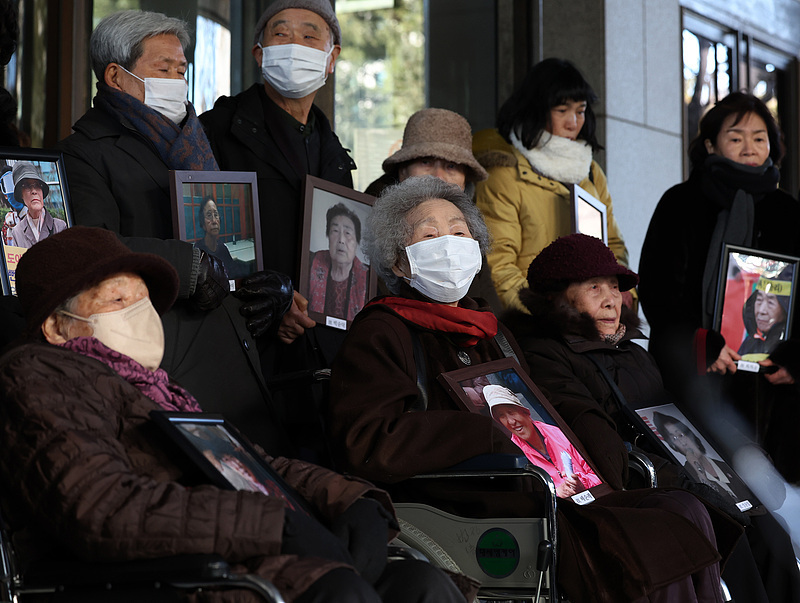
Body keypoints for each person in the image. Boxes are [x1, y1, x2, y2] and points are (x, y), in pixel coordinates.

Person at [0, 225, 472, 603]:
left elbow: (249, 463)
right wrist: (277, 525)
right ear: (58, 327)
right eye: (118, 300)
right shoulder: (38, 375)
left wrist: (353, 501)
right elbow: (101, 507)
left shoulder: (157, 391)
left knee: (420, 587)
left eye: (144, 299)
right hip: (163, 578)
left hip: (238, 564)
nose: (141, 312)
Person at [328, 176, 735, 603]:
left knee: (682, 508)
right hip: (471, 497)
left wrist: (581, 427)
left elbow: (540, 404)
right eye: (430, 235)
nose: (449, 243)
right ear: (398, 262)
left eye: (459, 231)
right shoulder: (382, 331)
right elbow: (366, 441)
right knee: (652, 540)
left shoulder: (492, 329)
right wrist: (482, 432)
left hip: (542, 484)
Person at [504, 232, 800, 603]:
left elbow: (676, 416)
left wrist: (735, 456)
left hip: (692, 474)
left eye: (614, 287)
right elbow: (597, 441)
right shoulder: (546, 356)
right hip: (645, 486)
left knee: (774, 539)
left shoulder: (632, 350)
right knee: (736, 548)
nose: (611, 300)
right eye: (594, 287)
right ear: (554, 296)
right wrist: (694, 484)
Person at [54, 10, 294, 454]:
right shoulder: (84, 154)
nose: (176, 79)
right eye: (162, 69)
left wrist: (267, 285)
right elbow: (89, 247)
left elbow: (229, 244)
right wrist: (188, 266)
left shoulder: (197, 143)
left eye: (181, 70)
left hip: (233, 358)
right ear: (115, 75)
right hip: (164, 362)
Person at [638, 91, 800, 483]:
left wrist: (795, 358)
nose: (750, 146)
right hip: (698, 372)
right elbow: (657, 287)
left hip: (769, 385)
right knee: (708, 483)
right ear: (711, 143)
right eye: (736, 135)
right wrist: (701, 343)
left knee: (775, 492)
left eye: (759, 137)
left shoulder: (789, 213)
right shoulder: (681, 203)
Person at [201, 0, 356, 346]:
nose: (294, 46)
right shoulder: (217, 130)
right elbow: (201, 238)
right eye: (281, 34)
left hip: (320, 343)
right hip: (244, 337)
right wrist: (271, 301)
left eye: (309, 36)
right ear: (260, 53)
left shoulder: (335, 153)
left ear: (331, 58)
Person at [473, 57, 630, 311]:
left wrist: (622, 292)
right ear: (536, 109)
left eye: (580, 111)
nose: (573, 123)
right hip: (534, 326)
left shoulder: (590, 171)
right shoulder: (505, 174)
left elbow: (614, 246)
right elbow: (499, 265)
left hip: (591, 319)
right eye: (562, 111)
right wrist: (548, 317)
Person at [366, 107, 502, 312]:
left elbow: (489, 308)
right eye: (426, 162)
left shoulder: (467, 230)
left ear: (465, 179)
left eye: (451, 166)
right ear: (403, 171)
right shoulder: (371, 226)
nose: (438, 176)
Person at [484, 385, 602, 498]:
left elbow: (600, 474)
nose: (511, 421)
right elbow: (527, 499)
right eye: (502, 416)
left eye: (511, 412)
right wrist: (556, 494)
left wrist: (582, 485)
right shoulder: (512, 454)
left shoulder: (558, 433)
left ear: (525, 412)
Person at [308, 202, 368, 322]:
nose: (341, 240)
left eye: (348, 233)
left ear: (356, 242)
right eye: (335, 231)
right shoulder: (311, 262)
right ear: (328, 236)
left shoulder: (368, 279)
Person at [7, 161, 66, 248]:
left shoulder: (60, 226)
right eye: (27, 186)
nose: (34, 191)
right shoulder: (17, 232)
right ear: (21, 195)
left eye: (37, 185)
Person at [194, 196, 250, 280]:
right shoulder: (198, 251)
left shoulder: (222, 247)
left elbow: (233, 273)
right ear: (202, 224)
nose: (214, 221)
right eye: (209, 215)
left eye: (216, 215)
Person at [737, 275, 790, 358]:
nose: (761, 310)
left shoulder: (789, 350)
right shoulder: (749, 343)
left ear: (785, 308)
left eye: (770, 302)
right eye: (759, 300)